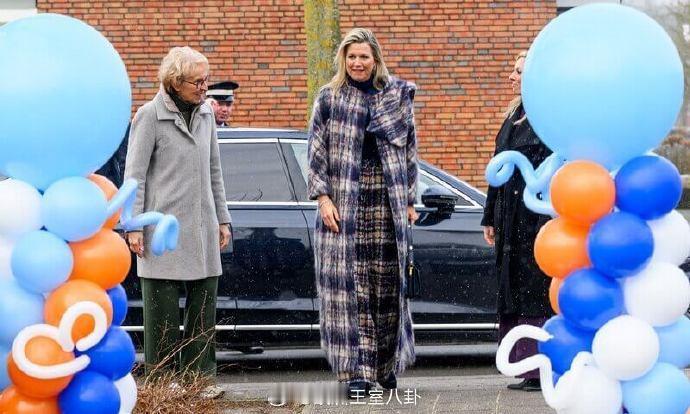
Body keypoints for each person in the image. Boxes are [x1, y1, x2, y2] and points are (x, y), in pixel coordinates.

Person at [308, 28, 419, 396]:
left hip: (387, 202)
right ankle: (357, 372)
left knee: (388, 287)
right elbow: (316, 152)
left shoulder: (396, 96)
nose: (358, 63)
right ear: (344, 59)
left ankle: (385, 367)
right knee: (351, 290)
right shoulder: (329, 97)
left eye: (364, 57)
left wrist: (409, 200)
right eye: (351, 57)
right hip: (345, 206)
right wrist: (322, 197)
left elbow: (409, 152)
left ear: (376, 59)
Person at [124, 46, 231, 398]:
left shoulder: (206, 116)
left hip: (202, 228)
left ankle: (199, 380)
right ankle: (161, 383)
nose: (204, 87)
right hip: (162, 233)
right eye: (197, 81)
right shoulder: (149, 116)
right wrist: (133, 225)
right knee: (163, 317)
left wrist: (223, 219)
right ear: (175, 81)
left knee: (203, 313)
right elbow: (134, 177)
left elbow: (215, 171)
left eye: (206, 80)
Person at [481, 51, 553, 392]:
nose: (511, 76)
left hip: (534, 220)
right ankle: (521, 363)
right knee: (512, 289)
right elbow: (498, 168)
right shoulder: (513, 115)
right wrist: (488, 215)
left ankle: (538, 366)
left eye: (518, 71)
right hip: (508, 221)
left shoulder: (549, 119)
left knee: (534, 290)